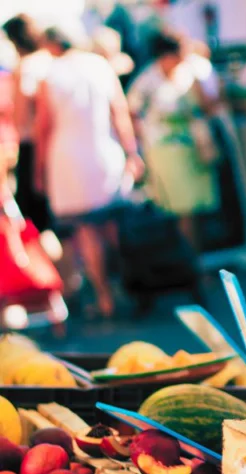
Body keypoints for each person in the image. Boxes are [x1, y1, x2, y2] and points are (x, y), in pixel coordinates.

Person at [34, 25, 142, 319]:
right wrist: (132, 152)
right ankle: (130, 287)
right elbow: (119, 112)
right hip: (104, 152)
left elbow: (44, 128)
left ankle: (105, 295)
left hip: (69, 160)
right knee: (112, 225)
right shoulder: (99, 66)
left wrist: (39, 170)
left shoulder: (51, 76)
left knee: (86, 231)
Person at [127, 29, 218, 252]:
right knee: (181, 209)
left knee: (193, 208)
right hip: (164, 149)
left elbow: (208, 107)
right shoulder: (147, 80)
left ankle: (192, 260)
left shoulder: (189, 74)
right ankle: (190, 263)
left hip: (193, 146)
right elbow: (131, 112)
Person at [2, 15, 52, 233]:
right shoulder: (49, 60)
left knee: (34, 220)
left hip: (31, 146)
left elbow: (20, 118)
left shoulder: (25, 67)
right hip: (53, 145)